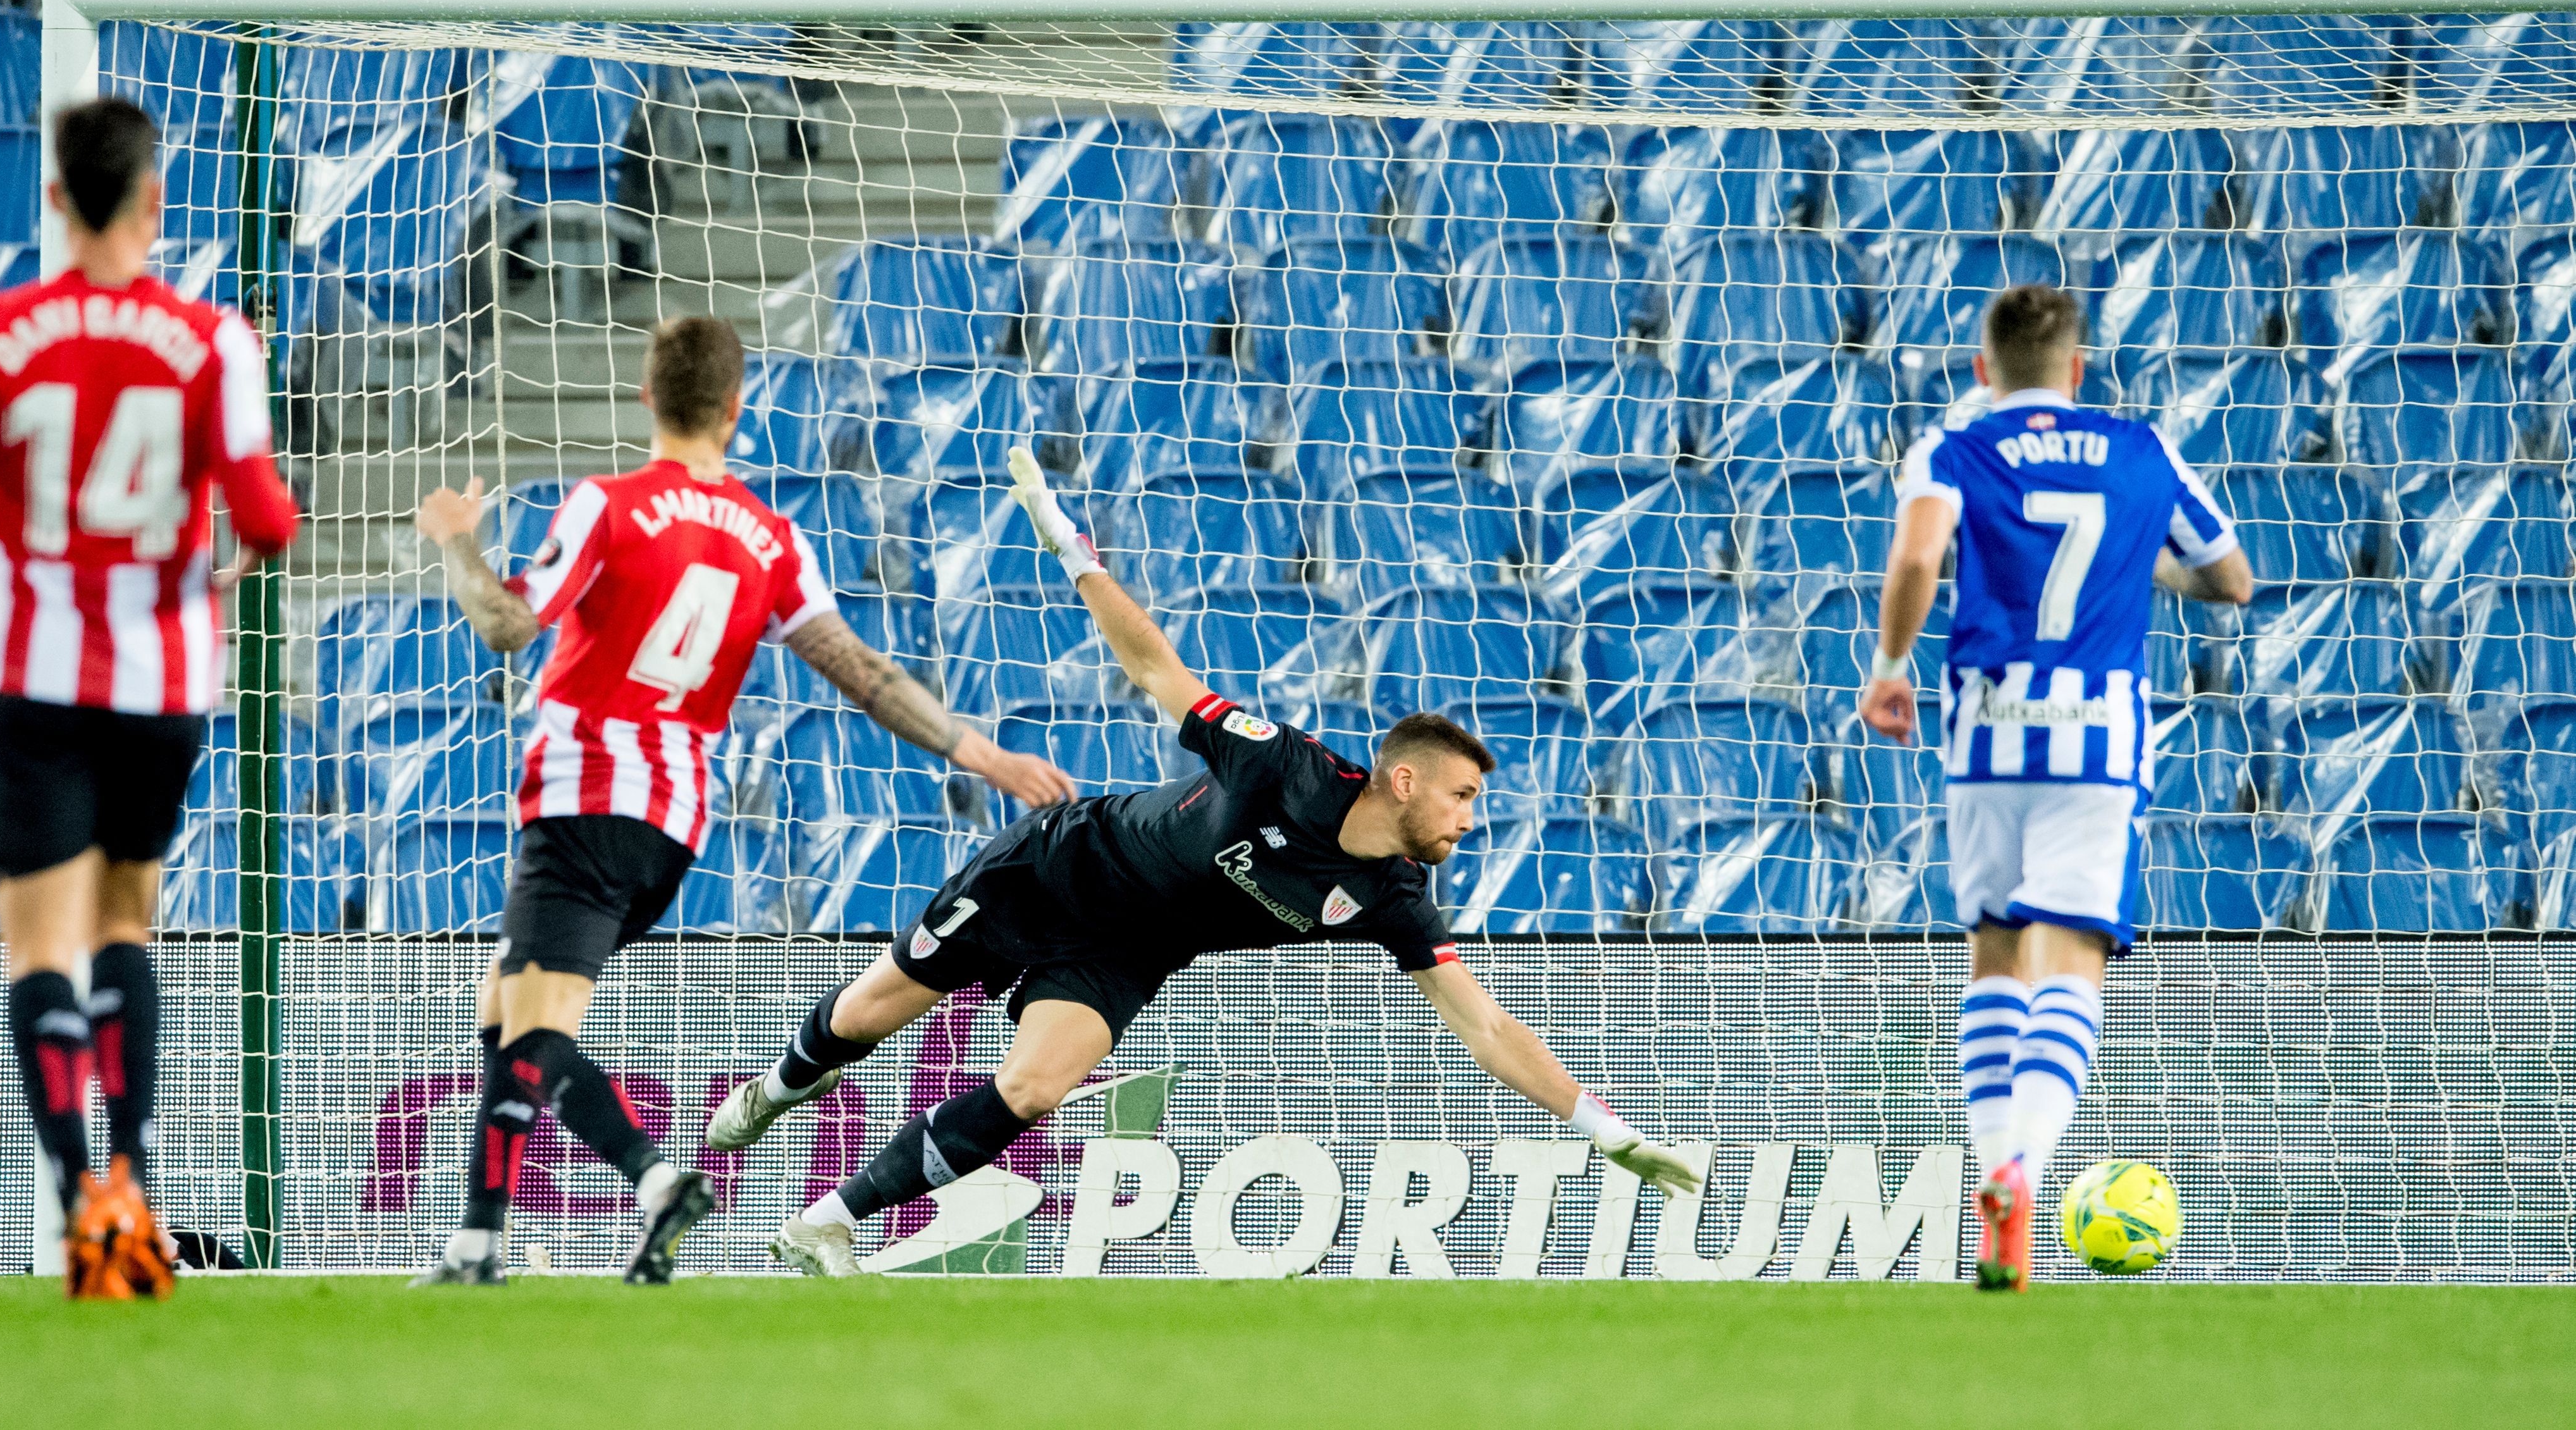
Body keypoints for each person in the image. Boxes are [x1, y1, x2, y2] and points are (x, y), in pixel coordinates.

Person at [714, 448, 1704, 1278]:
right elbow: (1156, 668)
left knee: (1039, 1086)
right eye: (1462, 797)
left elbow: (1485, 1023)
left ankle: (830, 1221)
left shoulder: (1394, 900)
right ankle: (778, 1089)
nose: (1470, 821)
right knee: (869, 1015)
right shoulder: (1283, 765)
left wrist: (1603, 1128)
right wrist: (1071, 549)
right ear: (1402, 782)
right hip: (1054, 869)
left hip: (1128, 951)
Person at [407, 316, 1078, 1286]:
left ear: (646, 398)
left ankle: (478, 1245)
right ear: (735, 408)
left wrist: (459, 546)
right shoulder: (772, 537)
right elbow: (864, 673)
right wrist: (982, 752)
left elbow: (509, 625)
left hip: (588, 792)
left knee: (532, 1022)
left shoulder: (607, 504)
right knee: (504, 1017)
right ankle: (652, 1181)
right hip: (675, 821)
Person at [0, 96, 303, 1300]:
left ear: (55, 200)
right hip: (161, 682)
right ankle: (134, 1185)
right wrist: (236, 544)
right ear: (153, 202)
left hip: (35, 675)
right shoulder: (213, 345)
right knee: (124, 929)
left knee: (37, 947)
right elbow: (266, 519)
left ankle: (77, 1200)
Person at [1859, 284, 2253, 1292]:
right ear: (2078, 368)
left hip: (1986, 727)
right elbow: (2232, 580)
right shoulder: (2141, 447)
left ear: (1986, 369)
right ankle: (2026, 1171)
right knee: (2073, 961)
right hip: (2098, 738)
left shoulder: (1955, 443)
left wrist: (1891, 667)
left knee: (1995, 952)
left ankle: (1995, 1169)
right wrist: (2140, 570)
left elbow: (1917, 551)